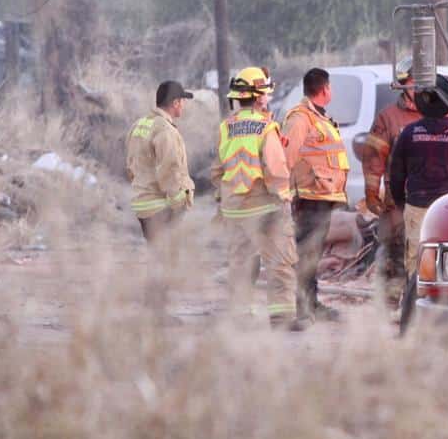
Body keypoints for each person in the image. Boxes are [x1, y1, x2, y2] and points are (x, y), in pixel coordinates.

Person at [211, 66, 305, 331]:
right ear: (259, 96)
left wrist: (226, 198)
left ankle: (240, 316)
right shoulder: (266, 127)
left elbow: (217, 170)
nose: (268, 98)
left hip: (235, 211)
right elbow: (275, 169)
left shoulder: (226, 127)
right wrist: (284, 197)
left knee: (240, 263)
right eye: (266, 94)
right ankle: (282, 318)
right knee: (280, 261)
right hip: (266, 207)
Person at [388, 74, 448, 285]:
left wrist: (401, 202)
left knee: (416, 261)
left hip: (418, 207)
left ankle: (414, 307)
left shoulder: (409, 133)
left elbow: (396, 174)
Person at [282, 67, 350, 323]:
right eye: (330, 87)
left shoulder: (319, 118)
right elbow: (287, 158)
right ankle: (302, 307)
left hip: (322, 197)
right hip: (309, 198)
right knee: (305, 253)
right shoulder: (300, 119)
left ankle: (312, 304)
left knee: (313, 254)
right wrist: (287, 194)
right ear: (325, 89)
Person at [361, 57, 421, 307]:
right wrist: (372, 194)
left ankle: (421, 303)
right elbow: (374, 159)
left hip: (431, 199)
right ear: (404, 85)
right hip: (397, 202)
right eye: (413, 83)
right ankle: (392, 307)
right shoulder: (389, 118)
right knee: (395, 255)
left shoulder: (443, 112)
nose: (418, 89)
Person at [125, 80, 195, 244]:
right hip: (160, 207)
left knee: (157, 257)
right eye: (182, 101)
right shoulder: (165, 129)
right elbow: (170, 169)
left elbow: (130, 165)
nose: (183, 105)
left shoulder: (139, 124)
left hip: (142, 204)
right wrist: (180, 201)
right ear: (175, 102)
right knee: (169, 261)